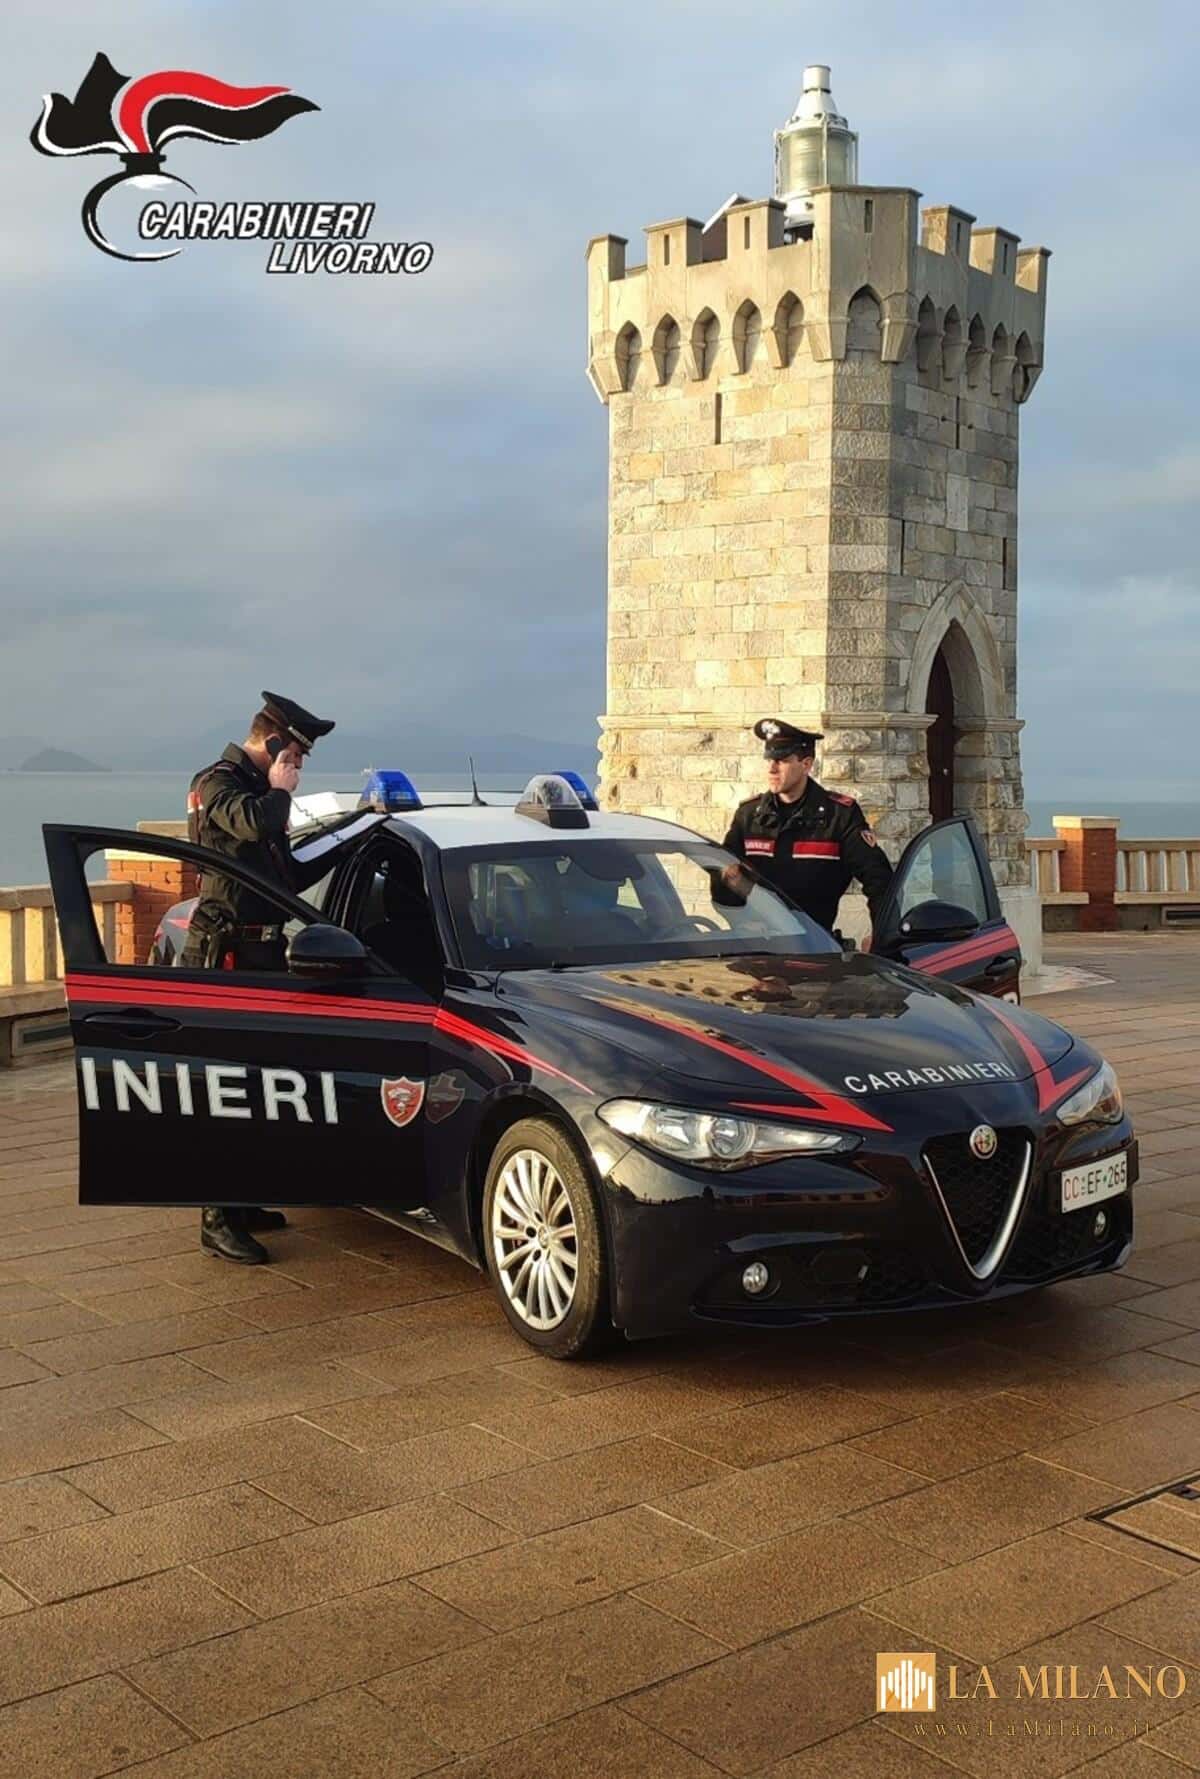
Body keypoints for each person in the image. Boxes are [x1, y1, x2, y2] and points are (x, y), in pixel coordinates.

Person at [181, 690, 336, 1264]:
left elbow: (285, 877)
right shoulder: (222, 783)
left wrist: (345, 844)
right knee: (226, 1087)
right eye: (293, 754)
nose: (295, 767)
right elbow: (248, 824)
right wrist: (278, 790)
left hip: (263, 956)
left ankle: (241, 1200)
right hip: (224, 956)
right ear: (271, 742)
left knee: (258, 1084)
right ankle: (215, 1219)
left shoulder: (262, 793)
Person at [720, 717, 893, 938]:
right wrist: (739, 922)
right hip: (755, 946)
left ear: (806, 764)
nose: (772, 768)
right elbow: (723, 875)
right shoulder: (749, 815)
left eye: (781, 760)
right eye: (769, 760)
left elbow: (879, 881)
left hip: (814, 946)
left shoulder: (838, 816)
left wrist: (880, 936)